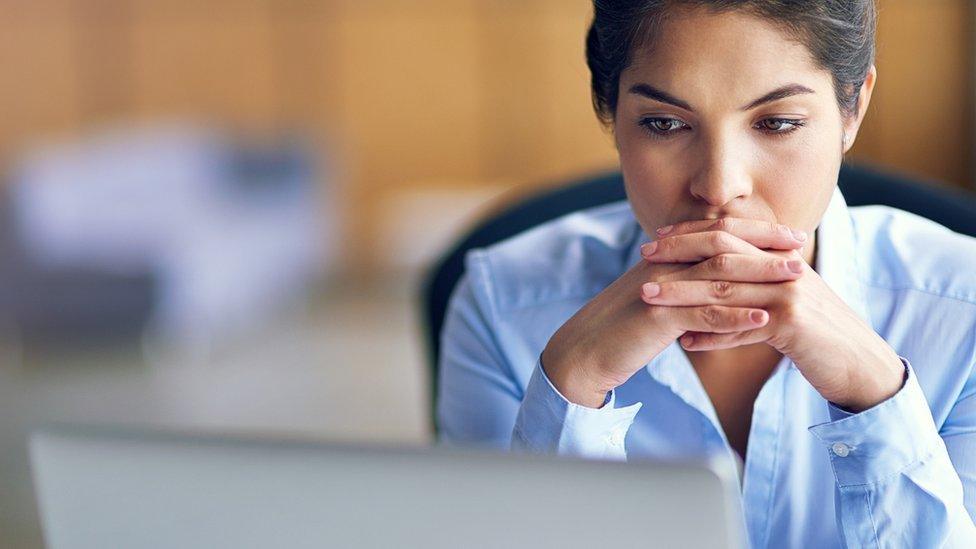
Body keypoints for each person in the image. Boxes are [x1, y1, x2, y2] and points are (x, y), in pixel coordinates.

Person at [437, 1, 976, 546]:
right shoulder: (501, 302)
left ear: (853, 108)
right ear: (611, 113)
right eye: (665, 123)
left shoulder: (964, 310)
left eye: (777, 123)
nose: (719, 187)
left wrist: (877, 397)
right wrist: (570, 388)